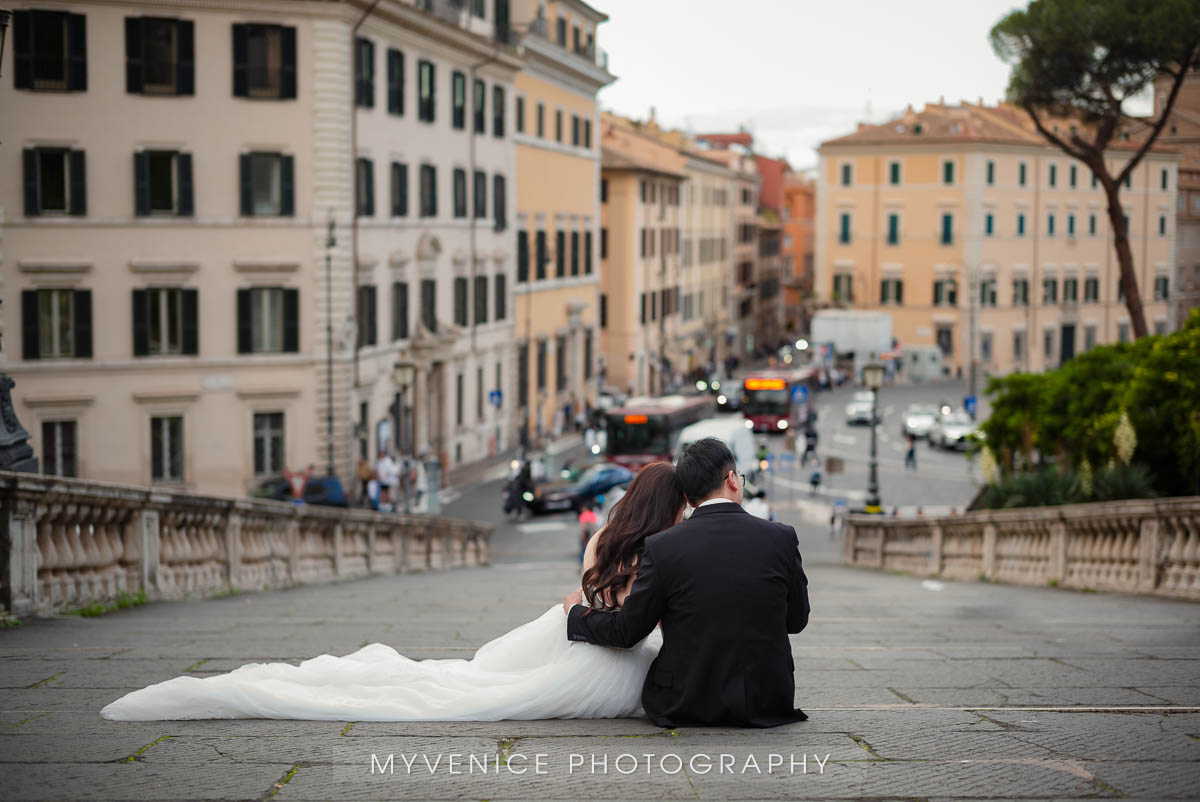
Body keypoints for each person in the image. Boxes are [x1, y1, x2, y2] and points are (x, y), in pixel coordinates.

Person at [100, 464, 687, 722]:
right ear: (671, 507)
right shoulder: (665, 549)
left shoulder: (605, 540)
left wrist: (578, 609)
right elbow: (642, 621)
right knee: (468, 693)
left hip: (575, 631)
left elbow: (583, 596)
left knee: (466, 677)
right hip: (615, 655)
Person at [563, 437, 810, 728]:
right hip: (768, 700)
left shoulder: (662, 547)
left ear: (689, 499)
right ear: (732, 479)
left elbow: (627, 631)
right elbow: (796, 621)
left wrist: (575, 613)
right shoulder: (781, 537)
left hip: (686, 702)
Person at [577, 500, 599, 564]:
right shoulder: (592, 514)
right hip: (592, 533)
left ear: (585, 508)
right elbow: (594, 525)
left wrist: (582, 535)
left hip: (586, 533)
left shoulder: (584, 514)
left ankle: (582, 560)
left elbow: (583, 526)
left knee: (583, 548)